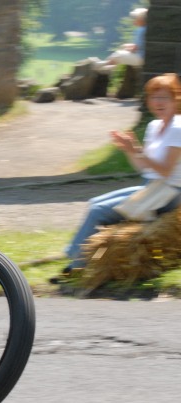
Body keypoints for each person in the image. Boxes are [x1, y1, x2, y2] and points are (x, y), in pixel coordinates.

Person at [52, 72, 181, 283]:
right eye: (153, 97)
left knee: (97, 212)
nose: (158, 102)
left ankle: (74, 268)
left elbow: (165, 171)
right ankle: (81, 258)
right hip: (152, 186)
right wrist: (130, 150)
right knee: (94, 203)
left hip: (170, 192)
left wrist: (138, 151)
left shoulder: (178, 128)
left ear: (175, 99)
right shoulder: (154, 126)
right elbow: (143, 167)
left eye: (164, 97)